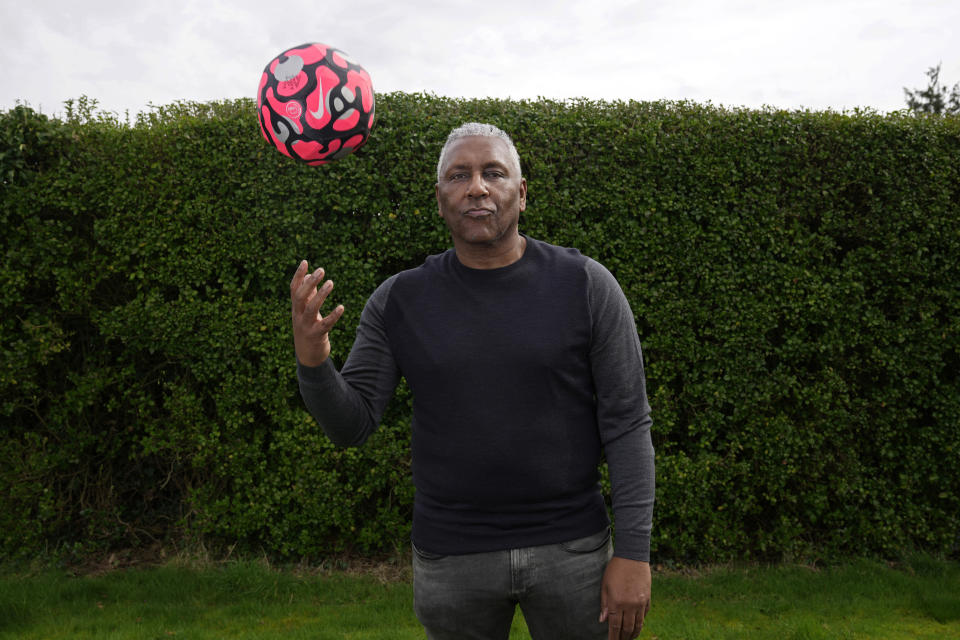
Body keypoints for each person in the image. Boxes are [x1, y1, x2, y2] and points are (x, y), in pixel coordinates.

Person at [290, 122, 655, 640]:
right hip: (451, 557)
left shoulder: (586, 285)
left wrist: (634, 553)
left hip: (573, 550)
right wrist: (314, 360)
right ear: (440, 200)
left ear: (521, 193)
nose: (477, 187)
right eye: (459, 176)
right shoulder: (400, 301)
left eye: (494, 173)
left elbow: (627, 423)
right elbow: (352, 425)